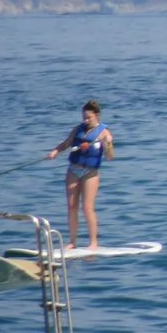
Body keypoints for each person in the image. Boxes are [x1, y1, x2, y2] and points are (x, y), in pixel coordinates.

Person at [46, 99, 114, 251]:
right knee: (72, 207)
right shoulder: (78, 129)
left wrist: (108, 143)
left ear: (97, 115)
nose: (86, 120)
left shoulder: (104, 132)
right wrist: (56, 151)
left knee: (87, 208)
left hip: (90, 173)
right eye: (84, 117)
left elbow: (110, 157)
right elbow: (66, 143)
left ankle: (93, 243)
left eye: (89, 117)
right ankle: (72, 242)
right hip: (73, 170)